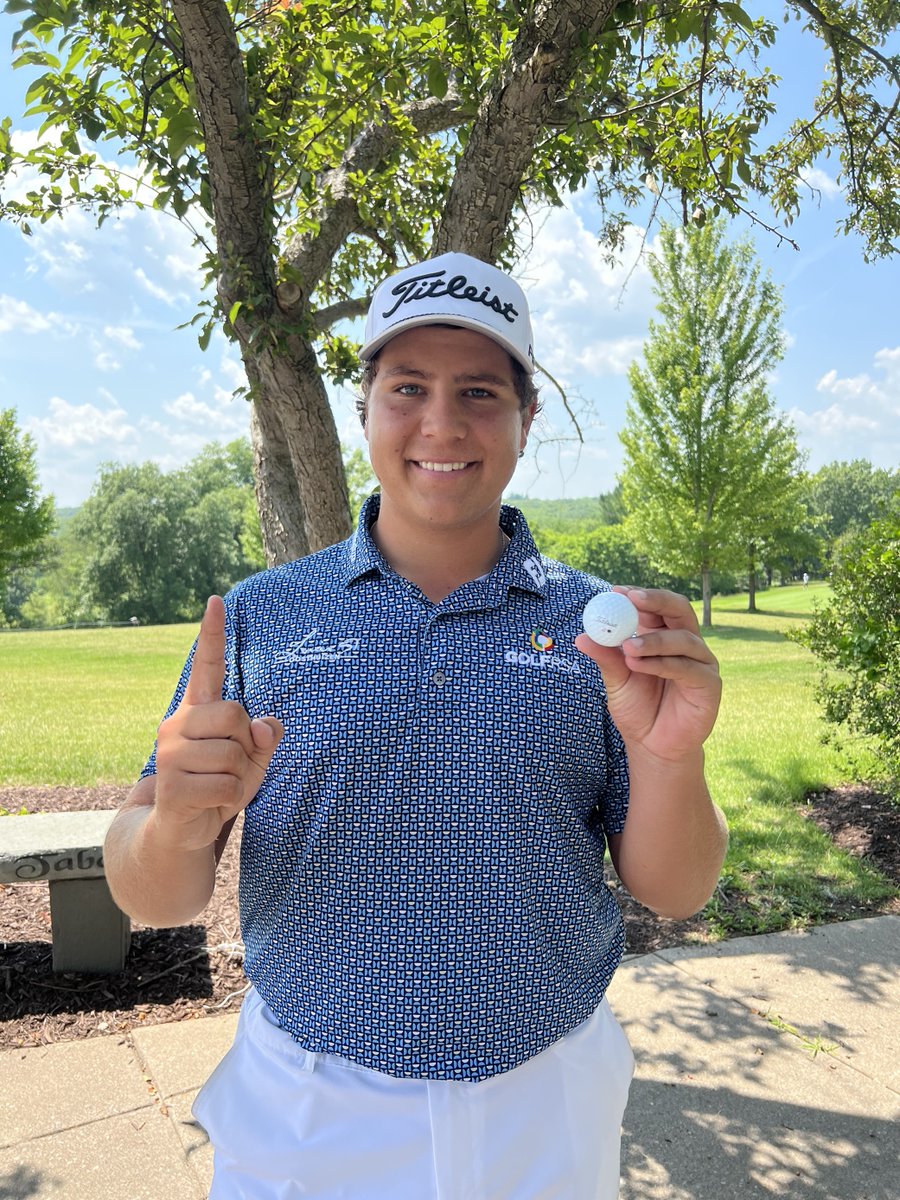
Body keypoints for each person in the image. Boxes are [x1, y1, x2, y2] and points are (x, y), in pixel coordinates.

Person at [104, 251, 728, 1200]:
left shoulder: (605, 630)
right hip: (308, 1114)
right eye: (408, 387)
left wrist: (670, 757)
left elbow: (676, 891)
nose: (442, 424)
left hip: (546, 1106)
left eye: (480, 390)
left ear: (527, 418)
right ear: (365, 410)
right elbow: (153, 896)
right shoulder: (263, 617)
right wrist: (177, 825)